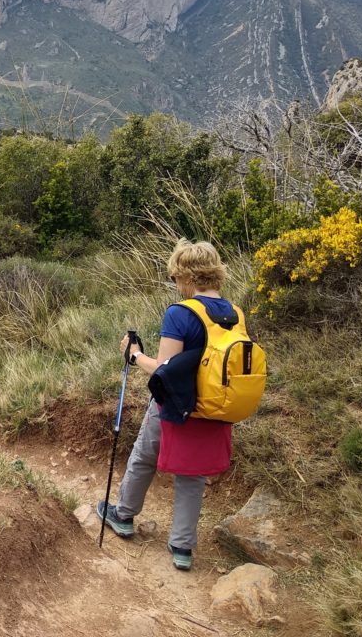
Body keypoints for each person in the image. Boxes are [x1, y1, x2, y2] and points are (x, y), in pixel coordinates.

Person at [97, 240, 234, 571]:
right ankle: (182, 550)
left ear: (186, 275)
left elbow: (165, 369)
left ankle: (124, 515)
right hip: (215, 406)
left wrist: (134, 355)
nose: (175, 284)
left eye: (176, 278)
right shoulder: (233, 313)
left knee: (144, 454)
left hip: (177, 403)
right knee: (194, 473)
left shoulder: (181, 312)